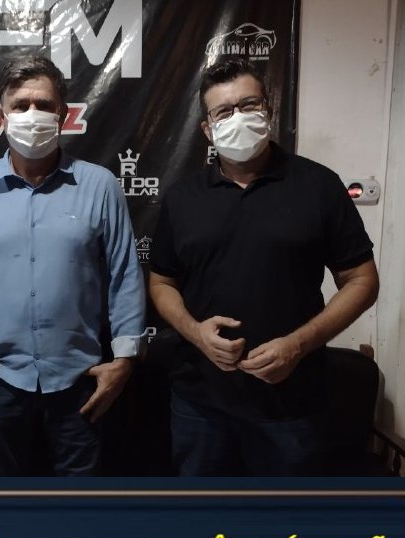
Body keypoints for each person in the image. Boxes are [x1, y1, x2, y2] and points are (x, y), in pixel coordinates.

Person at [149, 57, 379, 477]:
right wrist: (196, 333)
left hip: (291, 407)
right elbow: (162, 282)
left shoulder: (318, 185)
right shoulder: (183, 197)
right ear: (207, 129)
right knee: (200, 514)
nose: (237, 117)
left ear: (268, 111)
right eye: (223, 111)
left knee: (284, 516)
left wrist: (297, 344)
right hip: (201, 405)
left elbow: (362, 280)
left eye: (248, 105)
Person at [0, 56, 145, 477]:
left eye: (44, 105)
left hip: (79, 380)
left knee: (79, 505)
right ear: (1, 114)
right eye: (21, 105)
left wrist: (125, 360)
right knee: (1, 504)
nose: (32, 114)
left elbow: (124, 276)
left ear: (63, 114)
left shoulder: (100, 185)